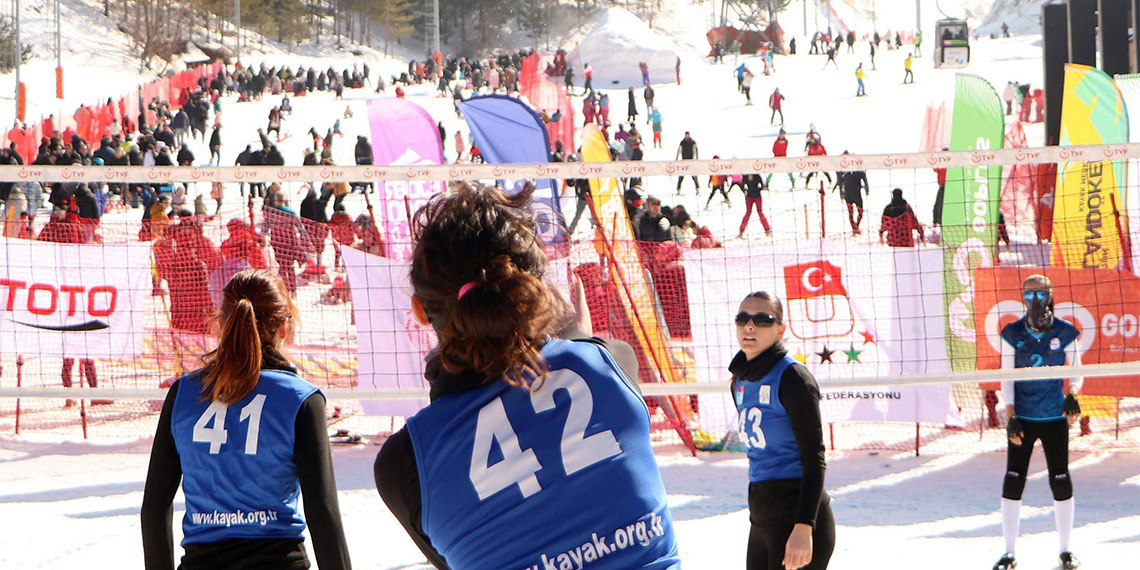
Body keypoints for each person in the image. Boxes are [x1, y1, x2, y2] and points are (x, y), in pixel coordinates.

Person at [374, 183, 680, 569]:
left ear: (420, 311)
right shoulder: (611, 362)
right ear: (536, 289)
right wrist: (578, 340)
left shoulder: (403, 466)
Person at [141, 269, 351, 570]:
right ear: (283, 326)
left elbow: (154, 506)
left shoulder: (184, 393)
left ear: (221, 324)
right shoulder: (300, 399)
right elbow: (322, 509)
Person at [731, 291, 834, 570]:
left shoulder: (793, 378)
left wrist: (804, 527)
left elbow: (815, 457)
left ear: (779, 330)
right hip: (762, 515)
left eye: (762, 319)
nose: (749, 326)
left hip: (797, 515)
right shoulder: (740, 378)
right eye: (743, 318)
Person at [993, 275, 1083, 570]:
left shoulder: (1065, 331)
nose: (1034, 301)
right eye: (1028, 295)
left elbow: (1077, 368)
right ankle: (1008, 553)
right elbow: (1007, 376)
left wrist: (1072, 394)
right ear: (1022, 298)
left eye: (1040, 294)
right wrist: (1011, 415)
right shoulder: (1012, 332)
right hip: (1024, 419)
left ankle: (1066, 551)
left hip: (1055, 417)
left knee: (1061, 479)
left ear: (1050, 296)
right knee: (1013, 479)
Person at [834, 163, 868, 234]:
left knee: (860, 212)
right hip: (848, 195)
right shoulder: (844, 172)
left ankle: (856, 226)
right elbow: (840, 182)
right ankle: (854, 228)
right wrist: (841, 193)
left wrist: (867, 189)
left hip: (856, 194)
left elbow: (865, 179)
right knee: (851, 213)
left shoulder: (858, 171)